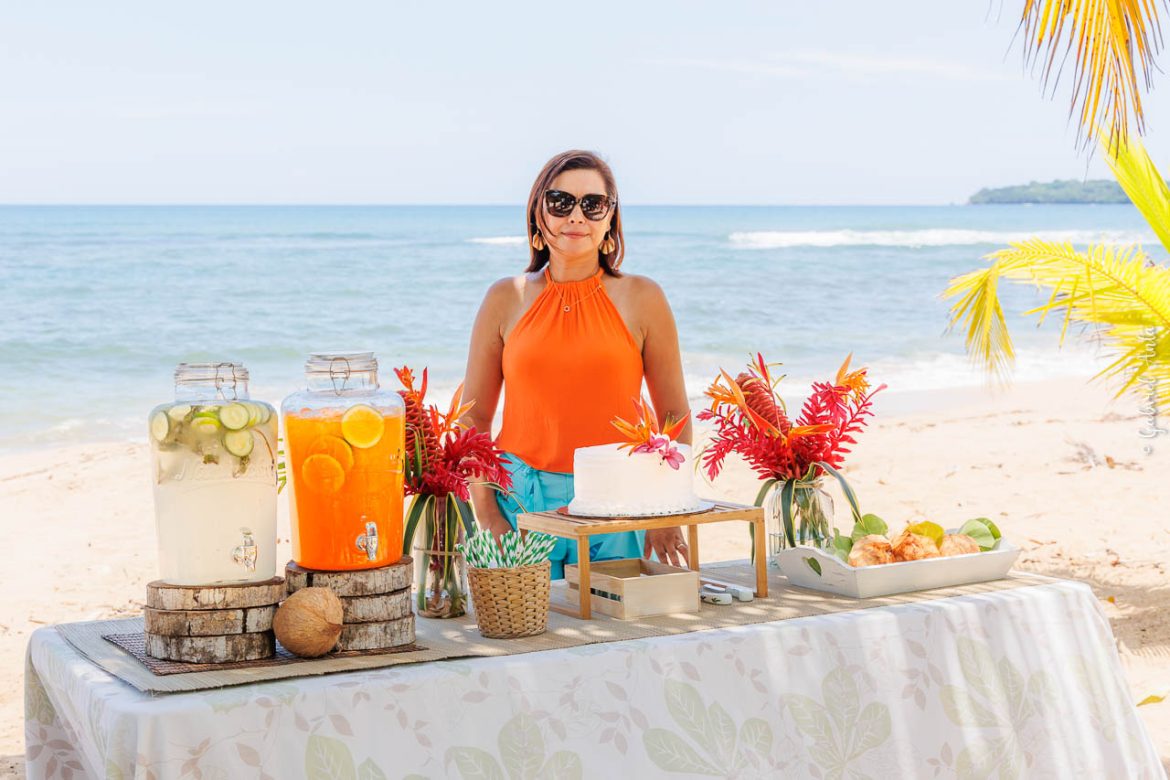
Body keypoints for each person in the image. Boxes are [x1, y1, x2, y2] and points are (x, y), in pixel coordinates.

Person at [462, 150, 692, 578]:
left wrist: (666, 512)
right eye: (560, 202)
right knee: (527, 640)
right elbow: (473, 416)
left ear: (610, 219)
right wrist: (487, 514)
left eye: (593, 204)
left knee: (620, 636)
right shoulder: (504, 298)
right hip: (519, 505)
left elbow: (674, 414)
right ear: (538, 213)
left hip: (619, 503)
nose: (576, 216)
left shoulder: (644, 298)